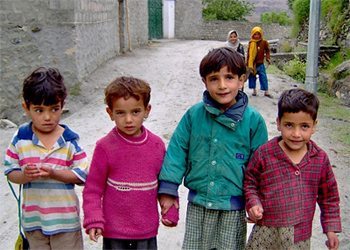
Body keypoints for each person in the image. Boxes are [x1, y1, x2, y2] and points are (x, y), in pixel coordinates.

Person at [158, 47, 268, 250]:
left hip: (233, 209)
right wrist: (168, 190)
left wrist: (255, 199)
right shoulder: (194, 115)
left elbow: (260, 166)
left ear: (241, 79)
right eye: (214, 78)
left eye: (229, 77)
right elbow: (177, 151)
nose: (222, 85)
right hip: (199, 205)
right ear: (204, 82)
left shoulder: (254, 121)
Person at [82, 76, 175, 250]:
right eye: (120, 113)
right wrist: (93, 217)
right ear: (110, 113)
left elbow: (165, 182)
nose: (129, 120)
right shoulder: (105, 147)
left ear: (147, 110)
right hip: (114, 234)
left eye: (135, 111)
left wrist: (170, 208)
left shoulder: (156, 146)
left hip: (146, 232)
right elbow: (93, 189)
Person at [244, 88, 342, 250]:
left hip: (299, 236)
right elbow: (250, 182)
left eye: (304, 126)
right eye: (289, 125)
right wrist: (253, 203)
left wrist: (331, 230)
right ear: (278, 123)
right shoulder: (264, 153)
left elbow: (329, 197)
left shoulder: (319, 159)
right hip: (265, 232)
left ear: (314, 126)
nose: (296, 134)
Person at [4, 67, 88, 249]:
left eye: (54, 109)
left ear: (62, 105)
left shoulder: (70, 140)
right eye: (39, 110)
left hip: (65, 223)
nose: (48, 117)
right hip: (34, 222)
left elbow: (83, 175)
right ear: (26, 107)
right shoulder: (21, 138)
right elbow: (10, 171)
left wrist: (54, 173)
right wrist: (25, 175)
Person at [246, 26, 272, 98]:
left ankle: (266, 91)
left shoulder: (264, 42)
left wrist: (267, 58)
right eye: (255, 34)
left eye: (258, 34)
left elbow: (267, 50)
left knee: (263, 76)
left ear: (261, 34)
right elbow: (249, 54)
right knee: (252, 76)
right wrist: (247, 63)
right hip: (252, 64)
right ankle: (254, 90)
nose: (257, 36)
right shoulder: (251, 43)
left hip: (260, 63)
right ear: (252, 34)